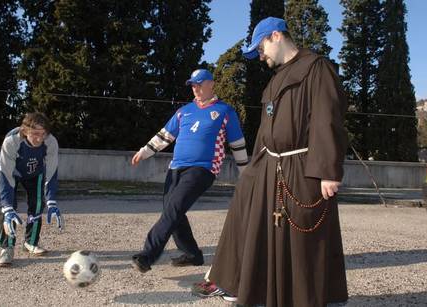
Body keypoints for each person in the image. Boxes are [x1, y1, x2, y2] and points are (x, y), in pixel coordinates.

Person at [192, 17, 349, 307]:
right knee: (249, 217)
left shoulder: (317, 68)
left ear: (276, 35)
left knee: (303, 245)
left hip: (304, 168)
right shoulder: (275, 79)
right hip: (271, 166)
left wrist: (328, 171)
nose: (260, 55)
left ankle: (306, 300)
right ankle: (240, 285)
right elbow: (267, 130)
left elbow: (327, 119)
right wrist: (252, 171)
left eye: (261, 47)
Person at [131, 69, 249, 273]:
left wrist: (244, 172)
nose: (195, 88)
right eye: (193, 85)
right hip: (175, 168)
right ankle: (193, 254)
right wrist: (144, 151)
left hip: (203, 169)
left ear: (211, 84)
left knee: (173, 209)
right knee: (174, 211)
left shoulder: (225, 111)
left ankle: (147, 255)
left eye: (199, 83)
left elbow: (237, 143)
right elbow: (165, 135)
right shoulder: (184, 111)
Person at [0, 112, 64, 267]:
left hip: (36, 172)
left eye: (43, 134)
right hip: (12, 172)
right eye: (34, 134)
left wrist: (52, 200)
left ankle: (30, 242)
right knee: (8, 210)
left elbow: (52, 172)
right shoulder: (12, 141)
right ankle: (7, 248)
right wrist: (6, 205)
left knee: (38, 205)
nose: (39, 139)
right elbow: (6, 177)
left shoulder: (51, 142)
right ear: (25, 130)